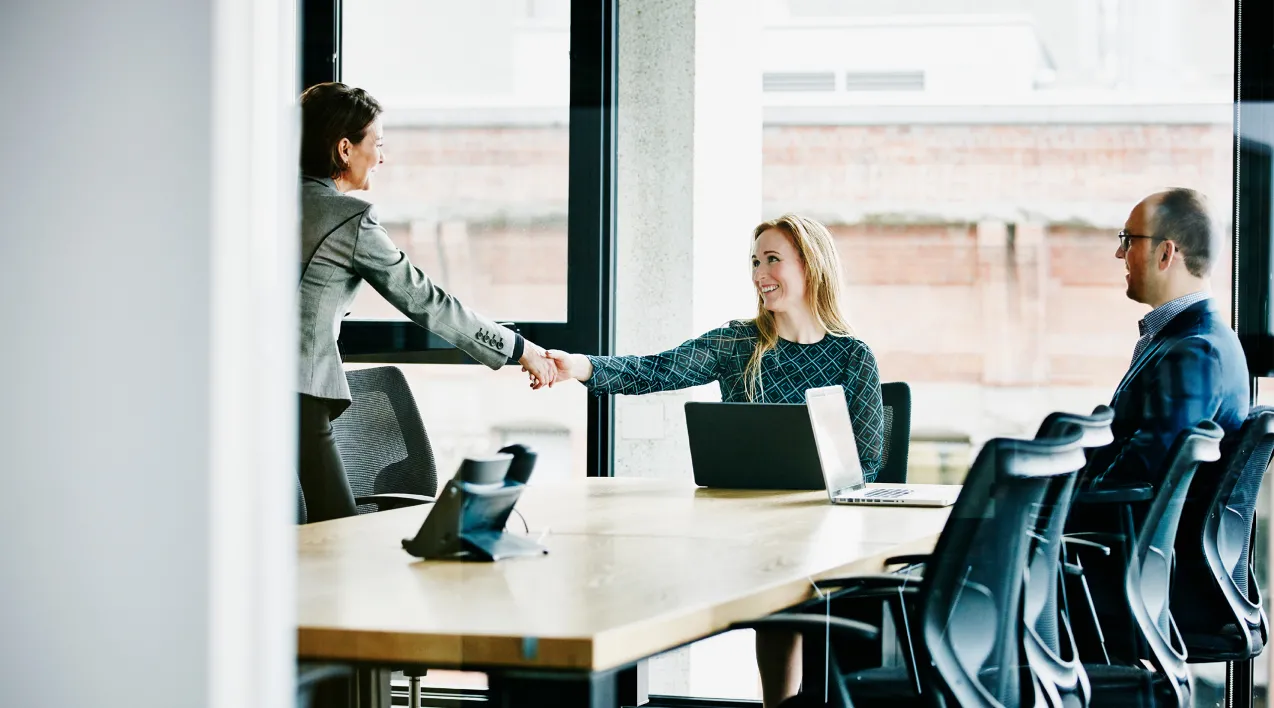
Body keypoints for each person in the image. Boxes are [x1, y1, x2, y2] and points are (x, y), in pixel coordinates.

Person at [541, 213, 885, 708]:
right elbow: (654, 371)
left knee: (795, 584)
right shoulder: (738, 343)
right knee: (763, 579)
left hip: (824, 528)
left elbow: (868, 465)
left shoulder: (853, 356)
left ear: (810, 267)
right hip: (747, 530)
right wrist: (579, 366)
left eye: (773, 260)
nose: (760, 273)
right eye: (754, 261)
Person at [296, 82, 556, 523]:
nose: (381, 157)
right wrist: (519, 348)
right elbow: (426, 300)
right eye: (376, 144)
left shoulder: (253, 205)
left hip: (232, 391)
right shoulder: (347, 220)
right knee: (334, 540)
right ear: (344, 149)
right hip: (298, 396)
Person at [1083, 188, 1249, 491]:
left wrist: (1051, 507)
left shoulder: (1197, 352)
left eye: (1129, 239)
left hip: (1126, 533)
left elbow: (1141, 475)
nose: (1120, 253)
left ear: (1165, 253)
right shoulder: (1191, 339)